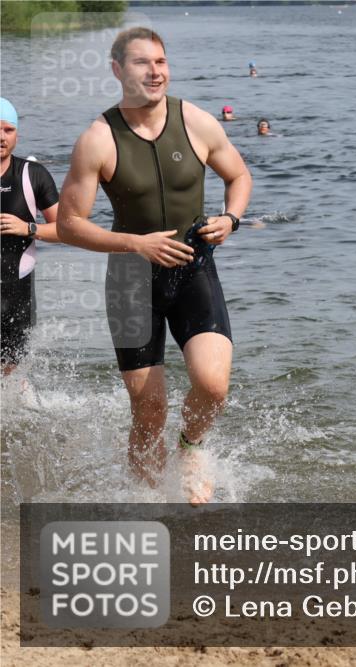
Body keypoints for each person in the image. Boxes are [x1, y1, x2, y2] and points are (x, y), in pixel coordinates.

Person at [57, 28, 253, 505]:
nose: (155, 71)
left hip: (193, 269)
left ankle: (191, 447)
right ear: (117, 70)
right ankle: (150, 508)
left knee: (212, 385)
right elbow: (67, 224)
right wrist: (133, 244)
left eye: (161, 61)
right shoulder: (98, 138)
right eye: (142, 63)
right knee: (148, 410)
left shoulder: (198, 122)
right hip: (129, 280)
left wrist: (231, 217)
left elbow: (239, 175)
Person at [1, 97, 60, 376]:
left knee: (11, 375)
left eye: (8, 130)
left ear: (16, 134)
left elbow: (67, 230)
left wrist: (28, 228)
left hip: (17, 290)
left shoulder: (33, 175)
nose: (1, 137)